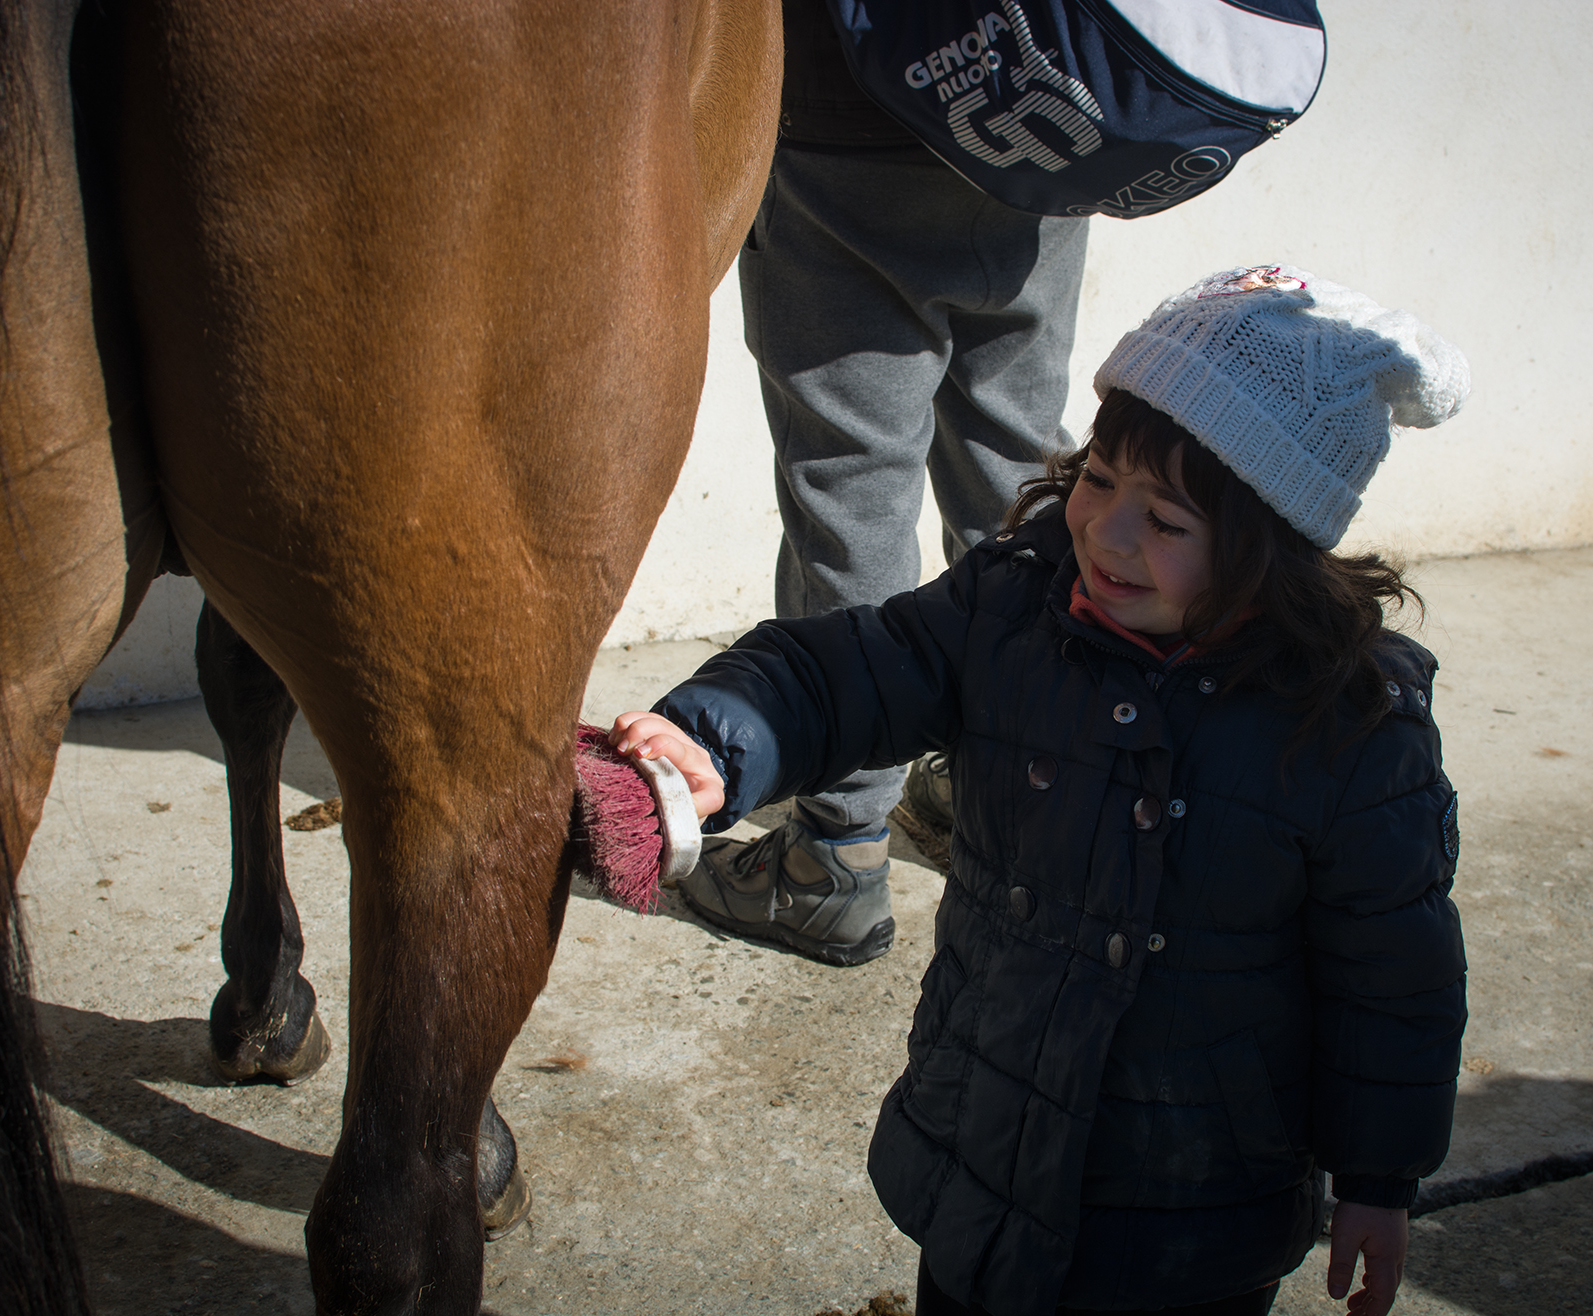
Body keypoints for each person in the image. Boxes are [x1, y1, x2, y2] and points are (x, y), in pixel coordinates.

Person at [614, 266, 1471, 1316]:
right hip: (986, 1146)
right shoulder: (1016, 604)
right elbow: (850, 671)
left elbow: (1396, 982)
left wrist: (1381, 1179)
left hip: (1186, 1211)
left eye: (1165, 519)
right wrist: (717, 735)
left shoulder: (1345, 730)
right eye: (1099, 478)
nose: (1106, 533)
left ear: (1269, 546)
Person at [686, 0, 1092, 966]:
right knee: (1020, 464)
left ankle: (835, 856)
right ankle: (1011, 782)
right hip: (1049, 112)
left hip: (855, 114)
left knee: (852, 491)